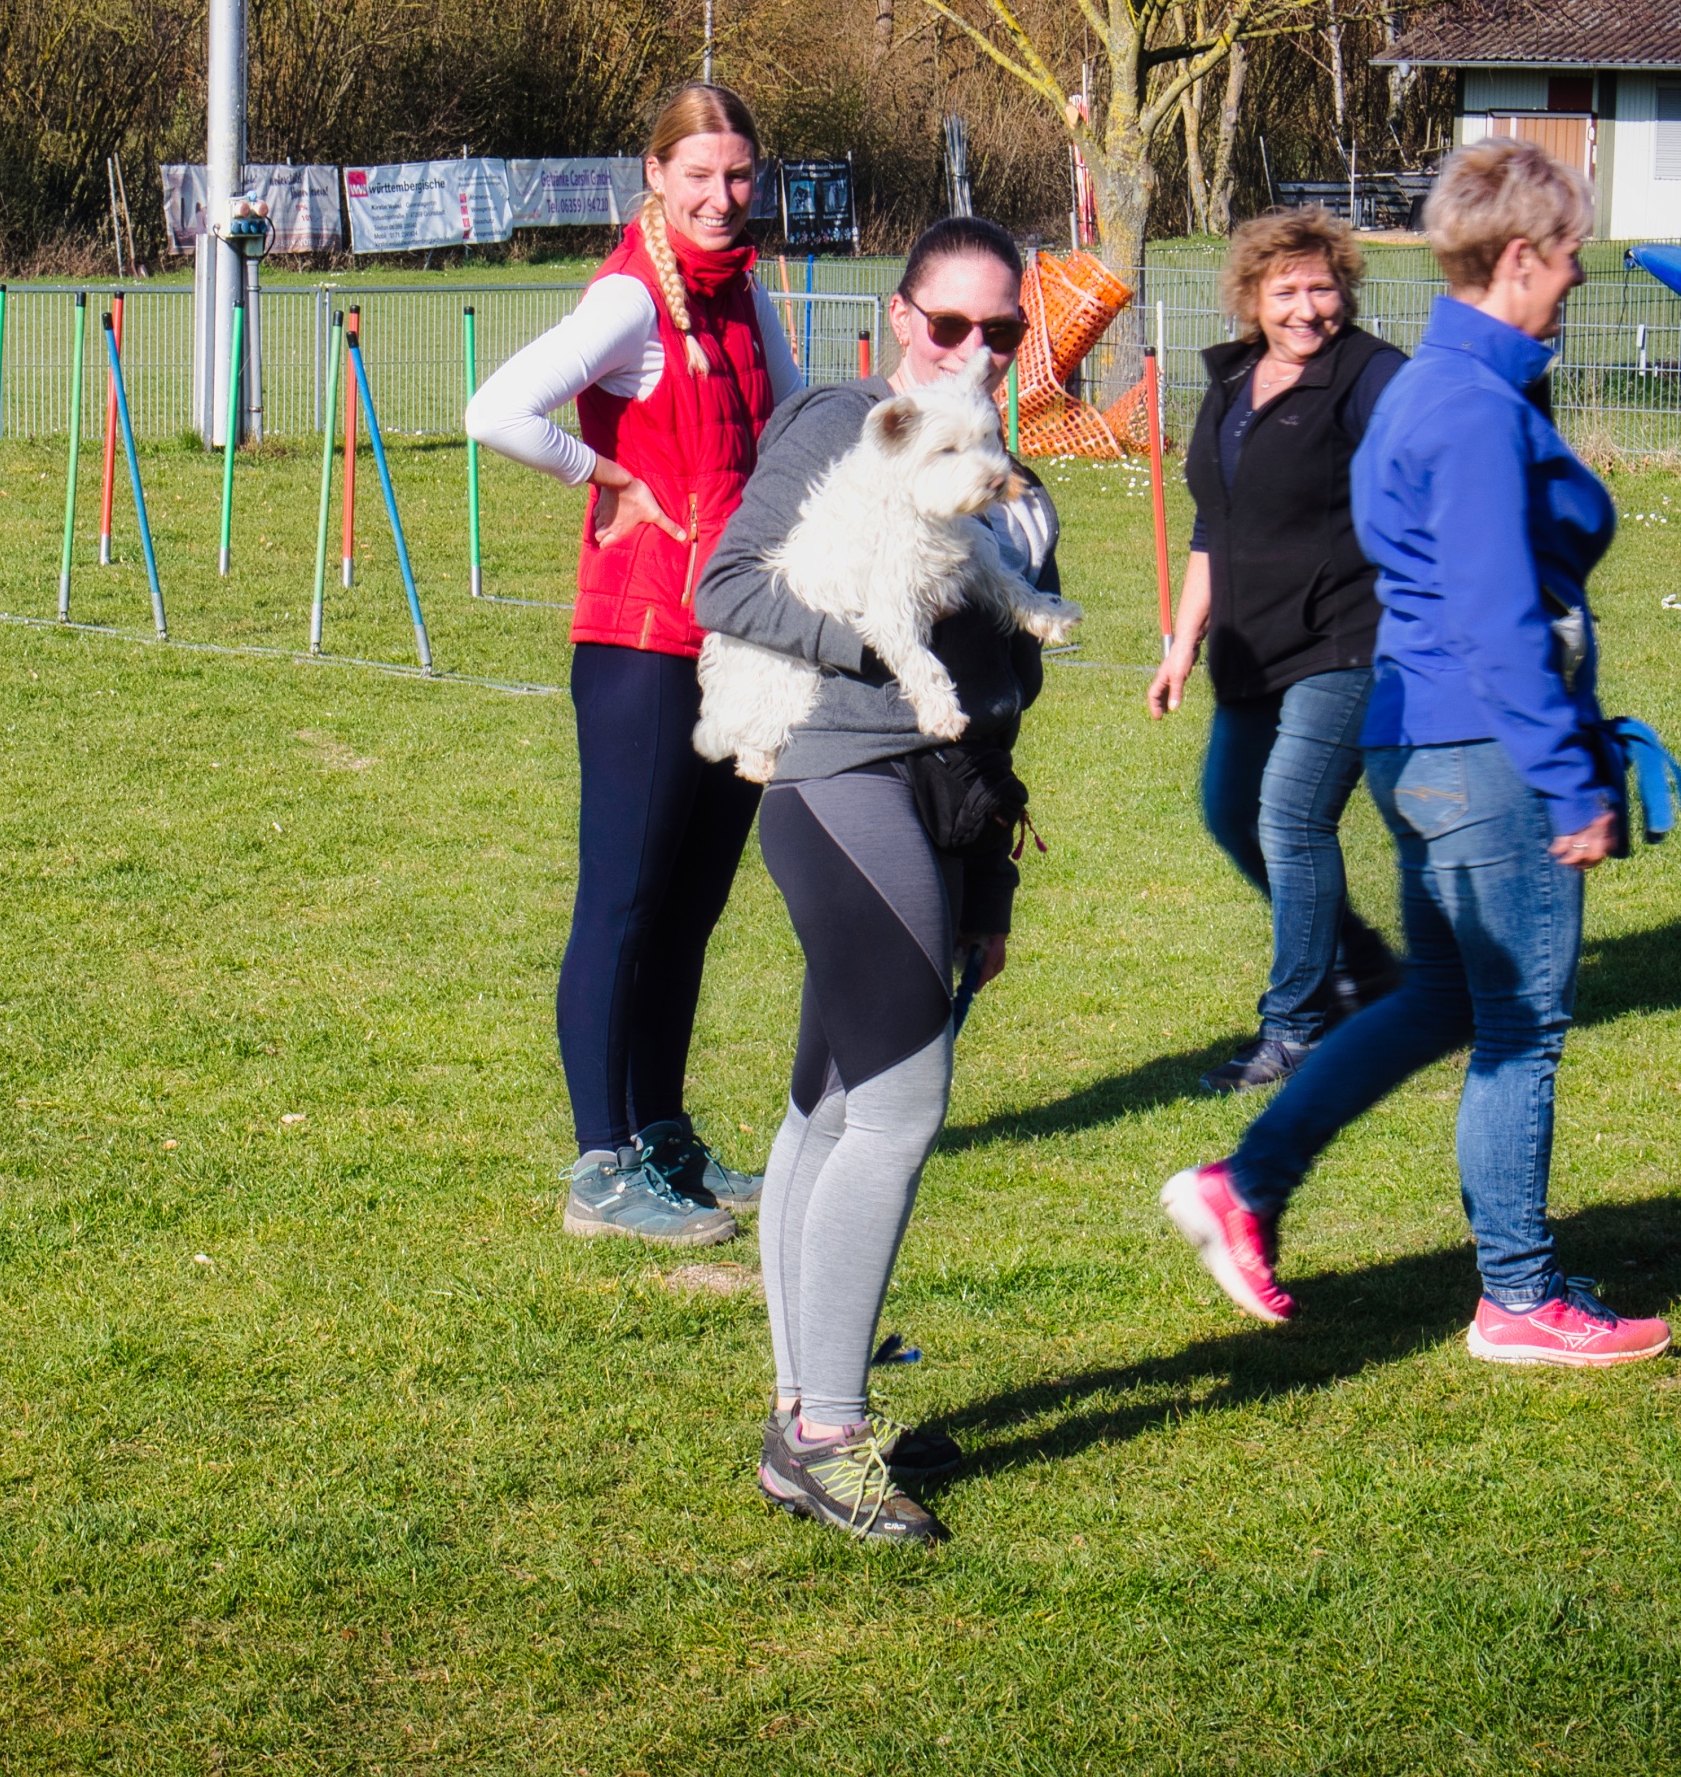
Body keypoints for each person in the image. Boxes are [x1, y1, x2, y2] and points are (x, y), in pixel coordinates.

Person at [1162, 139, 1671, 1368]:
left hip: (1419, 739)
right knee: (1521, 1027)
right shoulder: (1468, 407)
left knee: (1442, 998)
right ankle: (1519, 1296)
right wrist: (1569, 777)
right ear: (1519, 256)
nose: (1578, 277)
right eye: (1569, 256)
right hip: (1485, 751)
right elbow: (1496, 611)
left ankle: (1247, 1183)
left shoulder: (1433, 381)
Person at [696, 216, 1062, 1542]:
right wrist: (877, 649)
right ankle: (825, 1437)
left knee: (832, 1106)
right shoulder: (842, 423)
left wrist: (991, 888)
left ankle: (804, 1414)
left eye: (1001, 328)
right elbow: (725, 584)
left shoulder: (1012, 481)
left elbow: (1004, 691)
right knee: (900, 1107)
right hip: (836, 777)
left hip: (943, 803)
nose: (976, 346)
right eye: (950, 322)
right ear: (903, 319)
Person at [466, 84, 802, 1247]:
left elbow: (792, 422)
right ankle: (599, 1167)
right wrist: (599, 474)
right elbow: (494, 409)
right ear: (655, 175)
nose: (722, 196)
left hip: (738, 646)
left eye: (740, 174)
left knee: (693, 909)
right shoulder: (630, 298)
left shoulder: (745, 290)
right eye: (699, 174)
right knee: (624, 904)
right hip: (641, 647)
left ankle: (662, 1135)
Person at [1148, 207, 1406, 1093]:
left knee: (1293, 820)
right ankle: (1365, 968)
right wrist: (1182, 644)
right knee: (1231, 813)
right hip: (1251, 647)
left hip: (1346, 637)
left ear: (1346, 291)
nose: (1306, 309)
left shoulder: (1370, 376)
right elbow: (1212, 525)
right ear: (1251, 297)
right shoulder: (1232, 381)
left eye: (1322, 288)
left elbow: (1432, 467)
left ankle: (1296, 1027)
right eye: (1285, 290)